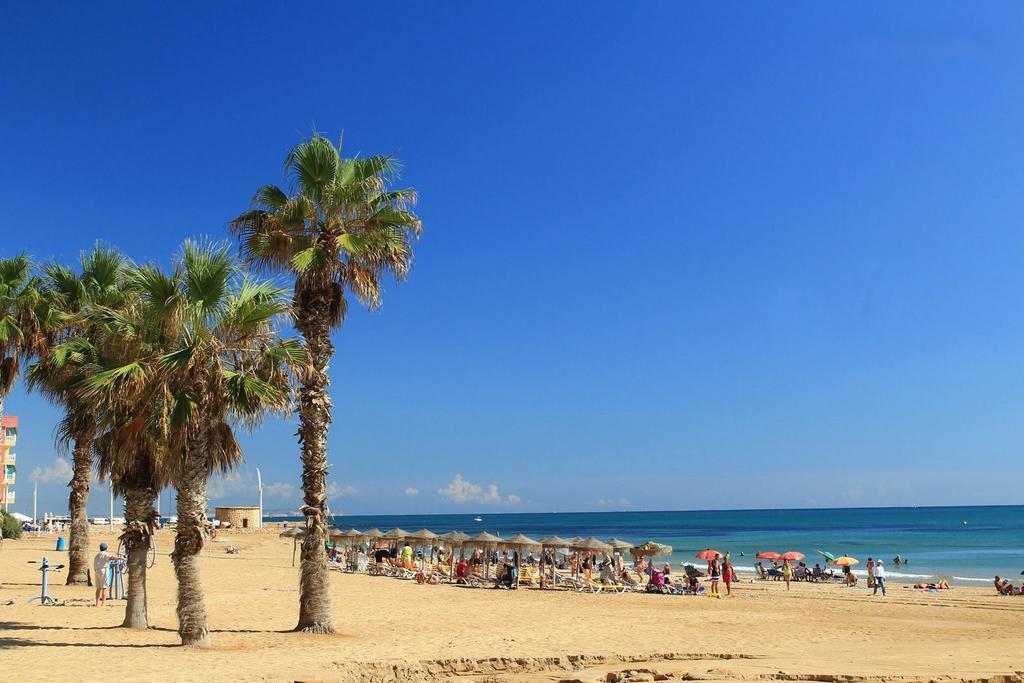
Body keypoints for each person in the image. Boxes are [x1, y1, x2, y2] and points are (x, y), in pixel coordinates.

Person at [93, 542, 122, 607]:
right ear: (106, 548)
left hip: (97, 571)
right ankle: (103, 604)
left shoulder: (97, 555)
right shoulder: (105, 554)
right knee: (104, 588)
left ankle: (97, 603)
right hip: (103, 570)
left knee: (98, 588)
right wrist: (120, 558)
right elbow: (111, 557)